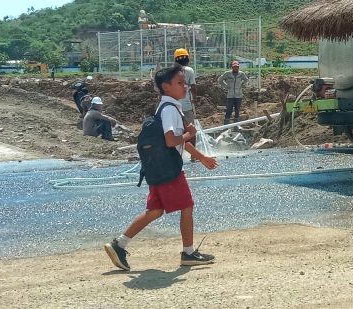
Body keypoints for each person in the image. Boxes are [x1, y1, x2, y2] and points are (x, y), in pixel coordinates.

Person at [104, 64, 218, 270]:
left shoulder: (164, 107)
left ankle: (119, 244)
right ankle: (189, 252)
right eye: (180, 83)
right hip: (169, 169)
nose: (186, 87)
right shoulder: (170, 110)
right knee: (187, 206)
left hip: (156, 167)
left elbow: (177, 140)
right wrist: (189, 134)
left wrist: (201, 157)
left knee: (155, 210)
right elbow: (171, 141)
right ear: (166, 87)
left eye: (185, 82)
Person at [173, 48, 197, 144]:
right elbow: (194, 87)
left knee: (177, 130)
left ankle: (178, 152)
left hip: (174, 106)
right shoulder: (189, 70)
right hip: (187, 105)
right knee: (191, 130)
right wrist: (194, 98)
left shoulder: (172, 71)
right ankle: (193, 156)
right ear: (187, 59)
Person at [217, 61, 248, 125]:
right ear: (232, 67)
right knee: (229, 109)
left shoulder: (241, 74)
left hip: (238, 95)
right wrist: (226, 86)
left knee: (237, 110)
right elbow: (220, 80)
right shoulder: (227, 74)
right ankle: (226, 124)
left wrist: (242, 85)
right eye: (234, 67)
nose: (236, 68)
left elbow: (246, 79)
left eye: (237, 67)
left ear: (238, 67)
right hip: (230, 95)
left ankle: (236, 125)